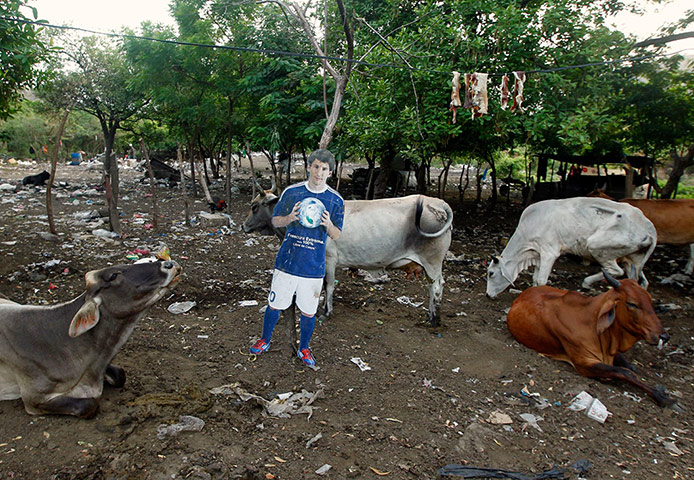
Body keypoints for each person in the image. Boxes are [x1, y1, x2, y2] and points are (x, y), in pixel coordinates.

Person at [250, 149, 344, 367]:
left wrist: (328, 224)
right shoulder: (292, 193)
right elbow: (275, 222)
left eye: (324, 169)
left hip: (313, 266)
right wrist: (290, 217)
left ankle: (304, 348)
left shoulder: (335, 200)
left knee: (309, 312)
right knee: (275, 305)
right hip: (287, 262)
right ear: (309, 167)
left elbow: (337, 234)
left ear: (330, 172)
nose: (319, 172)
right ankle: (264, 339)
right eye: (316, 166)